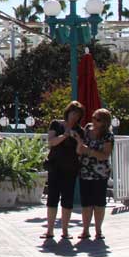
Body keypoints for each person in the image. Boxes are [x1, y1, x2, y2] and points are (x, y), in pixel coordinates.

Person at [42, 100, 85, 241]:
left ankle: (65, 231)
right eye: (73, 113)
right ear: (68, 112)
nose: (75, 117)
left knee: (67, 200)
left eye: (77, 115)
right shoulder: (56, 124)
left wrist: (79, 142)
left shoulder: (80, 130)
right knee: (52, 198)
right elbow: (51, 142)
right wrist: (65, 135)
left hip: (70, 168)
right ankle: (50, 230)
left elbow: (79, 152)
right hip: (55, 167)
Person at [78, 108, 115, 240]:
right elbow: (80, 143)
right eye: (93, 117)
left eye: (97, 119)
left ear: (104, 122)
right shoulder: (87, 129)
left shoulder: (108, 136)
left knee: (99, 203)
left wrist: (89, 151)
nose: (93, 120)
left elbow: (105, 155)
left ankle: (98, 230)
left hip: (100, 173)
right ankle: (85, 230)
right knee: (86, 202)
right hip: (85, 171)